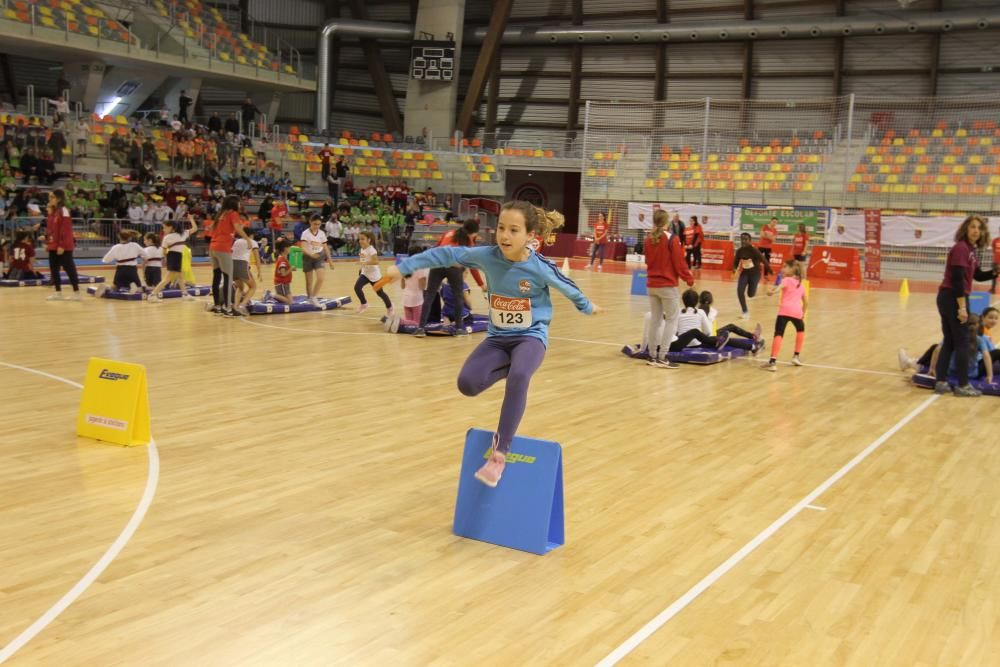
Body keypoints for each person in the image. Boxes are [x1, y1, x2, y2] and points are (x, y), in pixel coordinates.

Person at [383, 201, 600, 487]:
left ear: (530, 235)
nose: (505, 236)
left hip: (531, 336)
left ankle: (500, 454)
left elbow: (567, 286)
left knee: (521, 375)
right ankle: (512, 370)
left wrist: (587, 307)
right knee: (468, 384)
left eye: (513, 230)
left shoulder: (540, 267)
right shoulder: (487, 256)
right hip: (498, 339)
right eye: (500, 228)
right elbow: (448, 252)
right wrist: (406, 267)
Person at [933, 215, 998, 396]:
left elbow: (977, 275)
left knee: (950, 341)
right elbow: (957, 279)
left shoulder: (970, 250)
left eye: (979, 228)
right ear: (965, 229)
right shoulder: (961, 248)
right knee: (962, 342)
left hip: (948, 297)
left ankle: (941, 382)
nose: (976, 230)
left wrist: (995, 272)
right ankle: (963, 385)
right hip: (954, 297)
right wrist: (962, 307)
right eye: (972, 227)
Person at [643, 209, 694, 368]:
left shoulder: (648, 239)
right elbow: (679, 262)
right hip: (667, 285)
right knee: (672, 320)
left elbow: (647, 261)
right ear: (666, 222)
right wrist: (689, 278)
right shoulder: (672, 239)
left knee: (655, 321)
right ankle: (663, 357)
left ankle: (651, 356)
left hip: (652, 285)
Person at [899, 307, 999, 382]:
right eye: (991, 318)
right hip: (971, 372)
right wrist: (989, 376)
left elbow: (938, 349)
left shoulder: (954, 335)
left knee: (939, 348)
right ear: (981, 321)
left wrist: (933, 369)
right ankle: (916, 364)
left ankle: (915, 363)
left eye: (996, 318)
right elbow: (988, 355)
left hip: (951, 370)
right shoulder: (981, 337)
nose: (993, 320)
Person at [206, 195, 252, 315]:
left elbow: (211, 228)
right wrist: (247, 238)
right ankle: (228, 308)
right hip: (223, 248)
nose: (239, 204)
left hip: (212, 247)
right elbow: (237, 228)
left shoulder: (220, 214)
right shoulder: (233, 214)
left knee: (216, 277)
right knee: (227, 277)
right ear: (234, 203)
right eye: (238, 202)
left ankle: (217, 306)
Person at [761, 259, 808, 372]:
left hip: (784, 311)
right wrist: (803, 314)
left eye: (785, 267)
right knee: (800, 330)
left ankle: (772, 362)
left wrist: (772, 292)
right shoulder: (801, 284)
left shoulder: (786, 279)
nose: (782, 269)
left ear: (792, 269)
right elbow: (806, 302)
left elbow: (779, 287)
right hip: (797, 312)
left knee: (779, 334)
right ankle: (796, 357)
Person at [44, 189, 81, 301]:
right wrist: (48, 242)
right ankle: (58, 292)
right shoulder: (53, 212)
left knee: (69, 269)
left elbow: (65, 230)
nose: (50, 200)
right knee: (54, 269)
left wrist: (62, 245)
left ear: (59, 199)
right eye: (49, 197)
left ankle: (76, 293)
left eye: (52, 197)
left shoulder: (63, 210)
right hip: (53, 245)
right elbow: (51, 229)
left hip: (63, 246)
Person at [698, 290, 764, 353]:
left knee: (729, 328)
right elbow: (710, 330)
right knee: (730, 331)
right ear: (710, 301)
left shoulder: (697, 310)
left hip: (702, 336)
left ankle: (753, 337)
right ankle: (753, 338)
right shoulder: (713, 311)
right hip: (710, 337)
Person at [149, 217, 196, 302]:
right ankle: (153, 294)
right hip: (173, 256)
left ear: (172, 227)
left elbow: (164, 251)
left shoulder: (177, 235)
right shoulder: (177, 235)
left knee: (180, 277)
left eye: (165, 227)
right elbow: (164, 251)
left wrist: (191, 218)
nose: (163, 229)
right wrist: (191, 219)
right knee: (168, 278)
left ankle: (185, 294)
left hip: (176, 256)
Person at [732, 232, 772, 320]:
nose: (743, 241)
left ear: (750, 241)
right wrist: (734, 270)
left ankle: (754, 286)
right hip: (745, 273)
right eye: (742, 239)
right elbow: (735, 262)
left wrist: (770, 271)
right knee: (739, 290)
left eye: (745, 239)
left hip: (755, 274)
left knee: (750, 295)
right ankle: (745, 311)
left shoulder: (754, 250)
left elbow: (764, 260)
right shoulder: (739, 251)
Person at [299, 213, 335, 307]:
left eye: (318, 224)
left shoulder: (322, 233)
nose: (316, 226)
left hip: (319, 257)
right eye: (315, 224)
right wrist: (311, 254)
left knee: (320, 278)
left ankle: (314, 297)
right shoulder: (305, 233)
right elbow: (303, 247)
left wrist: (330, 260)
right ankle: (309, 297)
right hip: (308, 257)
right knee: (309, 281)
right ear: (310, 222)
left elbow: (325, 247)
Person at [355, 230, 393, 315]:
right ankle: (364, 304)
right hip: (365, 274)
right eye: (359, 239)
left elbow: (376, 261)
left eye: (362, 239)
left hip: (374, 276)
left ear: (369, 240)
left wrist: (365, 263)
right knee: (357, 287)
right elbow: (364, 260)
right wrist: (361, 269)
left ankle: (390, 308)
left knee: (380, 293)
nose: (360, 241)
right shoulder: (362, 249)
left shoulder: (372, 250)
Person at [95, 229, 144, 296]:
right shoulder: (135, 245)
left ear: (119, 237)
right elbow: (145, 254)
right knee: (139, 288)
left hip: (120, 269)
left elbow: (106, 260)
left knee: (115, 286)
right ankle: (134, 287)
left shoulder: (116, 247)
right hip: (132, 269)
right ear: (130, 237)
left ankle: (106, 287)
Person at [395, 246, 429, 327]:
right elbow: (422, 286)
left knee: (410, 326)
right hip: (417, 299)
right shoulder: (420, 267)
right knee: (417, 325)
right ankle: (399, 321)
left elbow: (402, 286)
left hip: (406, 298)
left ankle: (401, 322)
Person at [232, 231, 261, 315]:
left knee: (240, 287)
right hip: (242, 264)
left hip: (232, 264)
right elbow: (257, 258)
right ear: (251, 234)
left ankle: (235, 306)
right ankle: (242, 306)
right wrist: (259, 271)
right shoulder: (252, 242)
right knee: (253, 287)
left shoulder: (237, 241)